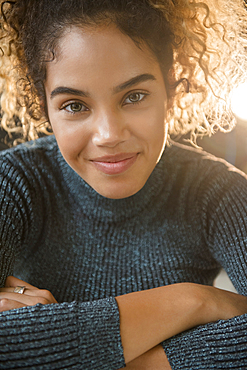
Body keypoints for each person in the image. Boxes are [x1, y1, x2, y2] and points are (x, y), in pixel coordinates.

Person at [0, 0, 247, 369]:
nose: (109, 135)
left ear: (171, 88)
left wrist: (52, 344)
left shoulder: (219, 193)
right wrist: (193, 302)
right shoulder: (14, 182)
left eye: (134, 97)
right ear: (44, 106)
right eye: (74, 105)